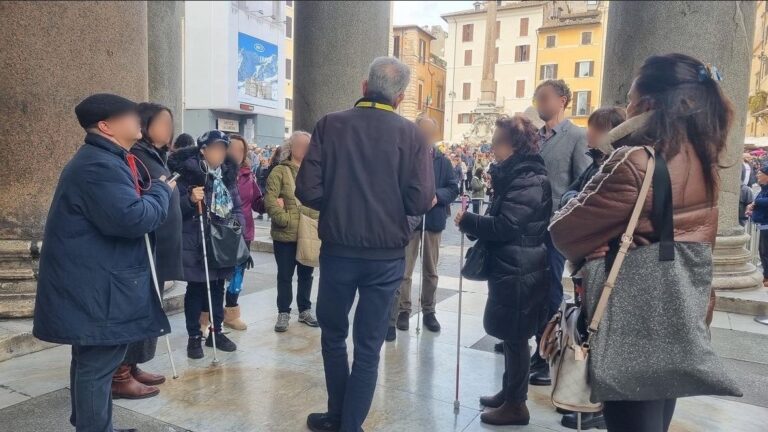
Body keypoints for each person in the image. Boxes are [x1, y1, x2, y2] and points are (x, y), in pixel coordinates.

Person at [550, 53, 732, 432]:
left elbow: (564, 230)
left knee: (632, 419)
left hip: (635, 318)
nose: (627, 107)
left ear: (648, 104)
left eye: (630, 99)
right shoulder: (705, 157)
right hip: (681, 309)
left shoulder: (636, 159)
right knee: (657, 413)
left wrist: (599, 243)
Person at [297, 56, 435, 432]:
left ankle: (338, 415)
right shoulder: (413, 136)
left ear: (363, 86)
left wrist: (339, 205)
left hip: (339, 251)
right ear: (400, 97)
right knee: (369, 345)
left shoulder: (330, 125)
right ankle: (349, 424)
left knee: (333, 336)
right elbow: (420, 201)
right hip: (386, 257)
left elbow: (307, 189)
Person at [33, 93, 173, 432]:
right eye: (130, 114)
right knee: (97, 366)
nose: (138, 119)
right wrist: (161, 192)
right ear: (106, 126)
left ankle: (92, 425)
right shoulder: (98, 165)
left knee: (91, 362)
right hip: (98, 288)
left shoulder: (104, 159)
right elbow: (133, 219)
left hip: (96, 282)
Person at [455, 115, 551, 426]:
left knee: (517, 335)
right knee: (512, 334)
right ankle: (510, 392)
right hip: (513, 263)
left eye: (497, 142)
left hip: (521, 265)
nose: (492, 148)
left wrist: (468, 221)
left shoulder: (528, 179)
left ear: (514, 145)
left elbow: (507, 225)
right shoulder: (517, 174)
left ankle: (516, 405)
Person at [553, 106, 625, 430]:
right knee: (587, 329)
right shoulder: (596, 161)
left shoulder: (615, 165)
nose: (588, 133)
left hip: (605, 262)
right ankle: (590, 400)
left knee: (599, 334)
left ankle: (599, 406)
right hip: (588, 261)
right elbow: (572, 196)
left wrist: (574, 202)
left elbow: (588, 206)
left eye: (594, 128)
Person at [108, 103, 183, 400]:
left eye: (170, 124)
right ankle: (119, 373)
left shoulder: (156, 155)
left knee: (149, 307)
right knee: (137, 309)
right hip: (145, 245)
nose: (167, 129)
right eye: (161, 123)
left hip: (159, 245)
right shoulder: (136, 155)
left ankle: (132, 364)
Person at [529, 79, 590, 386]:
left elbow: (582, 187)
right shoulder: (534, 138)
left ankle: (546, 353)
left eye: (545, 97)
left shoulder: (577, 136)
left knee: (550, 290)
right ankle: (530, 339)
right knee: (529, 288)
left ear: (563, 100)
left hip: (553, 230)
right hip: (527, 228)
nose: (539, 103)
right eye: (537, 98)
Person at [168, 130, 244, 359]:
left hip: (222, 241)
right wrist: (191, 200)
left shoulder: (227, 174)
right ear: (203, 150)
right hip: (197, 240)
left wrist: (235, 227)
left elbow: (236, 207)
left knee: (218, 286)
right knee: (197, 288)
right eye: (215, 148)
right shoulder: (187, 174)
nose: (220, 153)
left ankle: (216, 331)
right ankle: (194, 336)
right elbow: (172, 209)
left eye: (223, 149)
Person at [386, 116, 459, 341]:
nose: (426, 137)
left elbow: (453, 188)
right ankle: (403, 310)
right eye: (422, 132)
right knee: (405, 270)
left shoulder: (442, 161)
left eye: (430, 133)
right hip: (409, 221)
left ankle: (429, 310)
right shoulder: (404, 157)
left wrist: (437, 196)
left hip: (432, 221)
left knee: (431, 270)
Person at [264, 131, 320, 332]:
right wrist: (284, 219)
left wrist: (311, 216)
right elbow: (270, 200)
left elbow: (319, 201)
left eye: (307, 145)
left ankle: (304, 309)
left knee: (306, 274)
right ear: (290, 147)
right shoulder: (279, 171)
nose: (303, 149)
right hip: (285, 234)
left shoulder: (315, 172)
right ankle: (283, 312)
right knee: (285, 275)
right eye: (300, 145)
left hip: (308, 232)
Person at [223, 134, 265, 330]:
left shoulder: (249, 175)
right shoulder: (216, 173)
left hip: (244, 234)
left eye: (240, 150)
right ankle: (207, 317)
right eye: (232, 149)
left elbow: (257, 202)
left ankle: (231, 313)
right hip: (221, 234)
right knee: (217, 277)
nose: (236, 153)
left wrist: (271, 201)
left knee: (237, 275)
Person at [747, 166, 768, 286]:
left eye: (760, 173)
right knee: (763, 253)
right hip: (762, 226)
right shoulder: (763, 189)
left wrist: (756, 202)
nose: (757, 175)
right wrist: (752, 208)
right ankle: (766, 275)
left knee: (766, 253)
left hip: (766, 225)